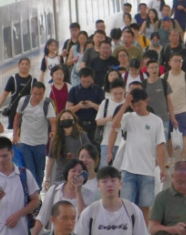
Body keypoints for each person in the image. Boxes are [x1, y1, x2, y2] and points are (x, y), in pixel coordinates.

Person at [108, 88, 168, 219]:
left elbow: (160, 146)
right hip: (128, 169)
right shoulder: (128, 117)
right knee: (126, 204)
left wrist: (163, 168)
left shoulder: (156, 121)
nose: (136, 108)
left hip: (148, 170)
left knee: (145, 206)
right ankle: (126, 232)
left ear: (146, 101)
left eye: (139, 104)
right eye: (133, 105)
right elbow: (114, 125)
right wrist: (125, 104)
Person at [13, 82, 56, 188]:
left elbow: (53, 121)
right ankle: (32, 193)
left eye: (40, 94)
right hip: (25, 142)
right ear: (32, 91)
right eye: (35, 93)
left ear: (44, 93)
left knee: (39, 170)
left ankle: (38, 190)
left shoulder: (47, 104)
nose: (37, 97)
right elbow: (17, 118)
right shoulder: (24, 101)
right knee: (29, 170)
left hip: (40, 143)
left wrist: (53, 131)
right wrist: (15, 135)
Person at [37, 159, 93, 229]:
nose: (77, 174)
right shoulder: (54, 190)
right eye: (73, 171)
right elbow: (42, 217)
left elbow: (84, 218)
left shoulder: (88, 194)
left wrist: (78, 191)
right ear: (67, 173)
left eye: (80, 172)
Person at [44, 110, 91, 192]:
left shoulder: (81, 136)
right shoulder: (55, 139)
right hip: (60, 175)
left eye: (68, 117)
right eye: (64, 118)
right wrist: (47, 179)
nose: (66, 119)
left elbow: (90, 153)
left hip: (78, 174)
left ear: (73, 121)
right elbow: (51, 159)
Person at [0, 58, 36, 129]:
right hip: (14, 111)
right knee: (14, 131)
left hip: (28, 111)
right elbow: (5, 94)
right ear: (19, 66)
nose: (24, 66)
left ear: (29, 66)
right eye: (22, 64)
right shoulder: (13, 79)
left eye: (26, 64)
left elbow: (37, 96)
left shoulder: (33, 80)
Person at [67, 68, 105, 140]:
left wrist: (92, 105)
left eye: (88, 81)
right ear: (80, 78)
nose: (86, 83)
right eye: (83, 81)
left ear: (92, 80)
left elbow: (103, 109)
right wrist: (79, 106)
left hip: (94, 125)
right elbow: (69, 109)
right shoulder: (74, 90)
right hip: (78, 124)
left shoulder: (98, 90)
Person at [95, 79, 126, 166]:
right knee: (105, 169)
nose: (118, 96)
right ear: (111, 91)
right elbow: (98, 122)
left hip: (124, 142)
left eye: (121, 93)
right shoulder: (105, 103)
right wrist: (108, 119)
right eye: (115, 94)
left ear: (125, 90)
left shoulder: (127, 104)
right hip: (107, 142)